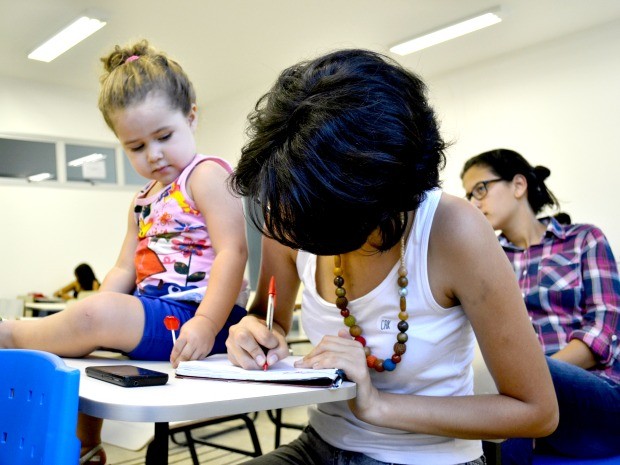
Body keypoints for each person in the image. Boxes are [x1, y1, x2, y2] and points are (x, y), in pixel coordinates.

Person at [225, 49, 558, 465]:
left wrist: (378, 405)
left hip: (429, 458)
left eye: (316, 224)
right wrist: (250, 330)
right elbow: (268, 317)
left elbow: (536, 412)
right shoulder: (296, 213)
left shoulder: (454, 230)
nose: (294, 232)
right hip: (319, 446)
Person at [0, 40, 249, 464]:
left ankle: (8, 333)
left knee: (94, 319)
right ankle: (89, 444)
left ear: (191, 115)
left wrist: (207, 324)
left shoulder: (205, 175)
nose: (153, 155)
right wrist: (94, 312)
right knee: (82, 341)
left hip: (202, 317)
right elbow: (122, 267)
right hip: (156, 314)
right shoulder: (141, 200)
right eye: (135, 147)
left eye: (164, 137)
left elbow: (234, 252)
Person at [461, 148, 620, 464]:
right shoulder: (485, 260)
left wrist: (531, 380)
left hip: (599, 402)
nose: (474, 203)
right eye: (468, 196)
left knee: (515, 384)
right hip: (531, 414)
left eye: (480, 189)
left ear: (518, 185)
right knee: (494, 400)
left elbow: (603, 330)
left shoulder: (583, 239)